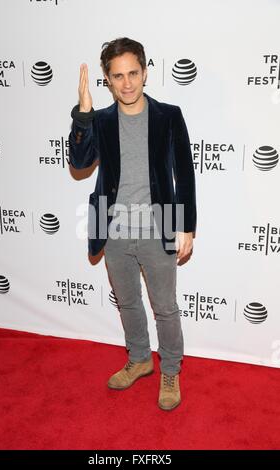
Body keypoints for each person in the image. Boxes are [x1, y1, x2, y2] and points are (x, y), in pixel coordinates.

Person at [69, 37, 197, 411]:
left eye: (133, 73)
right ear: (107, 79)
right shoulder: (103, 120)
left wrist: (186, 225)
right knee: (127, 302)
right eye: (118, 76)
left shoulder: (168, 115)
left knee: (165, 306)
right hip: (114, 226)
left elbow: (184, 173)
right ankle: (140, 358)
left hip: (161, 223)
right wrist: (84, 113)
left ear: (145, 71)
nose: (127, 83)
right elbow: (79, 161)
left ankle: (170, 368)